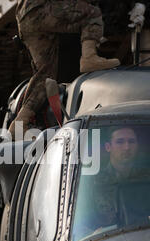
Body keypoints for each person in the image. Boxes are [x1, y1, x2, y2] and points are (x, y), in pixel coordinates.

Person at [8, 0, 121, 138]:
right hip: (42, 10)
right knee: (92, 13)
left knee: (45, 75)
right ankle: (89, 57)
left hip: (25, 18)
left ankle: (19, 123)